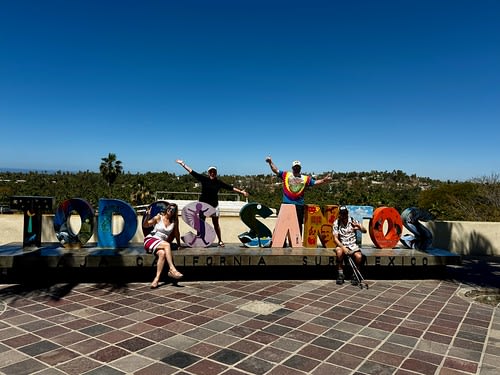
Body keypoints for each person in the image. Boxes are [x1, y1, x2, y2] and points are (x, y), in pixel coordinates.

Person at [176, 159, 249, 247]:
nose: (212, 173)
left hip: (214, 206)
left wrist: (242, 192)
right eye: (211, 172)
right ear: (208, 173)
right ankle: (200, 239)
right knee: (201, 224)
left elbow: (230, 187)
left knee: (216, 224)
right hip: (203, 207)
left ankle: (220, 240)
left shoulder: (218, 182)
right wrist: (183, 164)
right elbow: (192, 172)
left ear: (216, 173)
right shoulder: (204, 179)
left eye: (214, 172)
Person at [265, 156, 332, 232]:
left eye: (298, 167)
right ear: (292, 168)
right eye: (295, 167)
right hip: (287, 203)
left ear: (300, 168)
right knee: (283, 224)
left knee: (298, 224)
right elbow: (275, 170)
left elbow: (314, 183)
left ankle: (297, 241)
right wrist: (270, 162)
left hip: (299, 205)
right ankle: (281, 242)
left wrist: (324, 180)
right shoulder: (286, 174)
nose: (296, 169)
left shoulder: (305, 178)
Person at [143, 203, 183, 288]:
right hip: (150, 240)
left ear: (175, 212)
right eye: (169, 208)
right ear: (167, 209)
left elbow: (177, 233)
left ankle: (156, 279)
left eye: (173, 210)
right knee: (167, 245)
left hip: (160, 244)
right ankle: (172, 269)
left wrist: (179, 244)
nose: (171, 211)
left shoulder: (174, 222)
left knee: (162, 254)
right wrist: (148, 215)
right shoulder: (159, 217)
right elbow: (146, 225)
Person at [333, 206, 367, 285]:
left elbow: (365, 231)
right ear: (339, 214)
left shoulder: (353, 221)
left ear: (347, 213)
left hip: (352, 245)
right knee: (339, 252)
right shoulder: (336, 223)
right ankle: (340, 274)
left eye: (345, 213)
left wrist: (360, 227)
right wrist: (343, 247)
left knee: (359, 257)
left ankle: (355, 274)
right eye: (342, 214)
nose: (344, 215)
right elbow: (335, 238)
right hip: (342, 244)